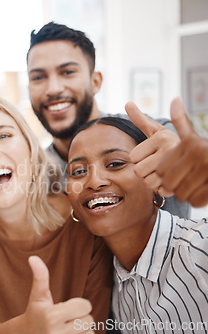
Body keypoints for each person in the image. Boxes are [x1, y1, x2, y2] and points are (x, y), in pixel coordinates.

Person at [0, 93, 113, 333]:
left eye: (3, 135)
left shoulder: (84, 218)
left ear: (30, 149)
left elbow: (94, 326)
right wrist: (28, 328)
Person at [26, 21, 190, 219]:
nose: (53, 88)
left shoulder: (149, 135)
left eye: (67, 72)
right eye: (38, 77)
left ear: (95, 82)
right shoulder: (34, 176)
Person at [66, 116, 208, 334]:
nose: (94, 181)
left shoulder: (198, 248)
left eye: (115, 164)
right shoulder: (114, 283)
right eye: (78, 171)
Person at [127, 97, 208, 208]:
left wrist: (184, 157)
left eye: (115, 164)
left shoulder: (154, 129)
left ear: (96, 81)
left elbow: (183, 146)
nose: (95, 181)